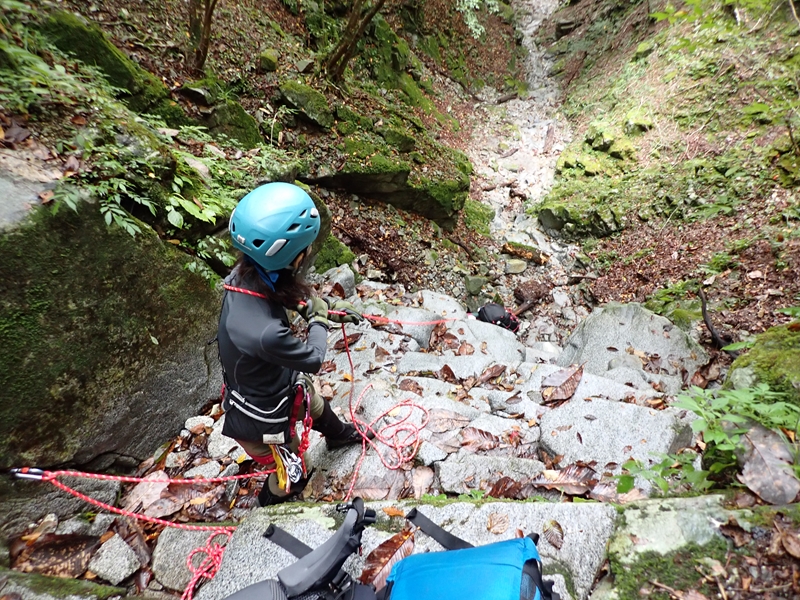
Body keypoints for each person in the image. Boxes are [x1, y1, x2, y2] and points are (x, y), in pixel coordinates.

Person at [217, 181, 369, 506]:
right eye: (307, 248)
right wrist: (319, 320)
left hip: (275, 384)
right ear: (292, 255)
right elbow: (313, 358)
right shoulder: (264, 333)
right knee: (293, 474)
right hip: (260, 419)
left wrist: (319, 308)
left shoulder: (247, 274)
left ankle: (340, 437)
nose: (309, 253)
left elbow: (276, 292)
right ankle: (265, 512)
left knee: (312, 402)